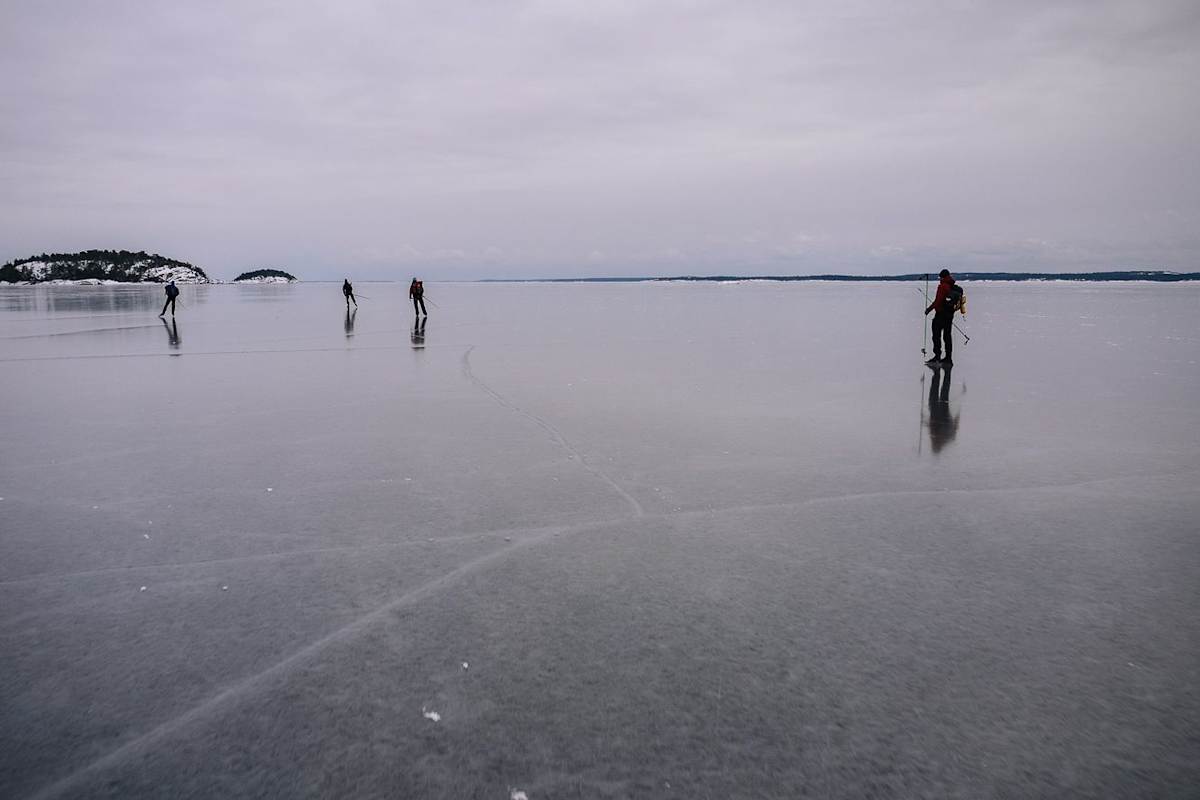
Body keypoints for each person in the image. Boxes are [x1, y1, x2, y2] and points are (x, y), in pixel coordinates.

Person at [924, 269, 961, 366]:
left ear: (942, 277)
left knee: (936, 335)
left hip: (941, 314)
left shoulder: (943, 286)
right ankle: (948, 358)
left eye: (940, 277)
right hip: (949, 314)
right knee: (947, 336)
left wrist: (929, 309)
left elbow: (938, 301)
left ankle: (937, 357)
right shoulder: (951, 285)